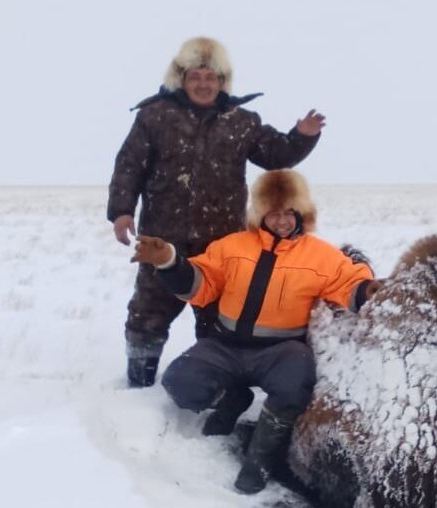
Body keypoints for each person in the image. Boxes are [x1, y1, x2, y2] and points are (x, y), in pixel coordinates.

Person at [130, 170, 380, 494]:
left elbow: (349, 282)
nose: (283, 221)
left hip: (280, 351)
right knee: (179, 382)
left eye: (290, 212)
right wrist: (169, 261)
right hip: (224, 346)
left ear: (301, 213)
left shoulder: (321, 255)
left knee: (296, 382)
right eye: (274, 213)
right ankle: (232, 398)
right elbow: (200, 284)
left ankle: (259, 461)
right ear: (260, 214)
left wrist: (368, 291)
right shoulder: (231, 246)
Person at [107, 36, 326, 387]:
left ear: (223, 82)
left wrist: (301, 135)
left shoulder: (241, 122)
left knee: (217, 322)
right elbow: (129, 166)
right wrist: (121, 211)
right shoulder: (155, 116)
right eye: (196, 77)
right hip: (162, 241)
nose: (204, 84)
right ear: (182, 78)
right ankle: (139, 385)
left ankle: (209, 389)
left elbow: (276, 156)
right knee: (147, 315)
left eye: (211, 78)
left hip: (221, 246)